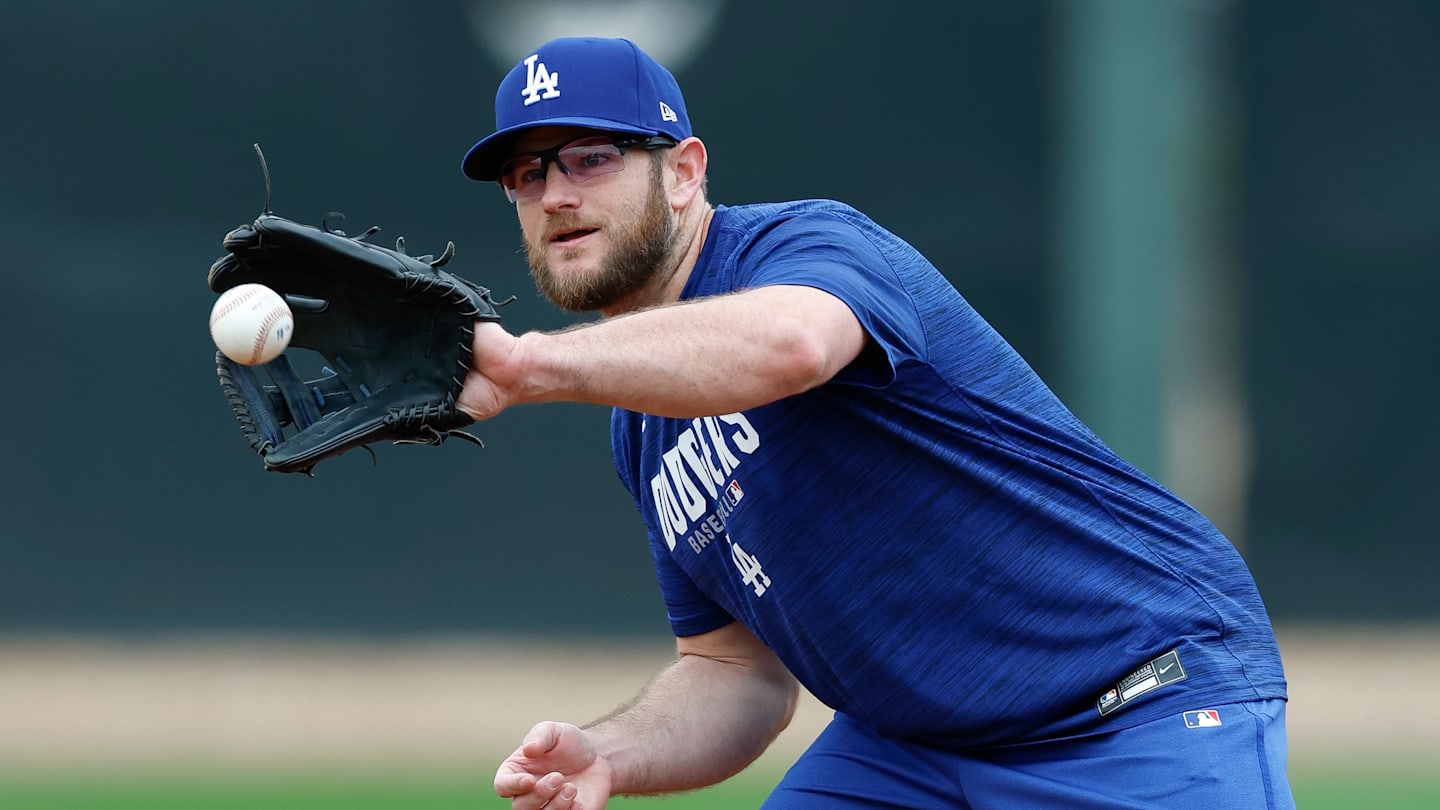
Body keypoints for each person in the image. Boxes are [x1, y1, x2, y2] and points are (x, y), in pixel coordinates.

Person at [456, 36, 1293, 810]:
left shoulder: (801, 245)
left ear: (683, 171)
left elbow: (792, 344)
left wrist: (532, 365)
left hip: (1127, 695)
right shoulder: (640, 423)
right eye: (526, 175)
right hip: (913, 751)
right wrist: (611, 752)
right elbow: (734, 671)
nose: (556, 194)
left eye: (591, 158)